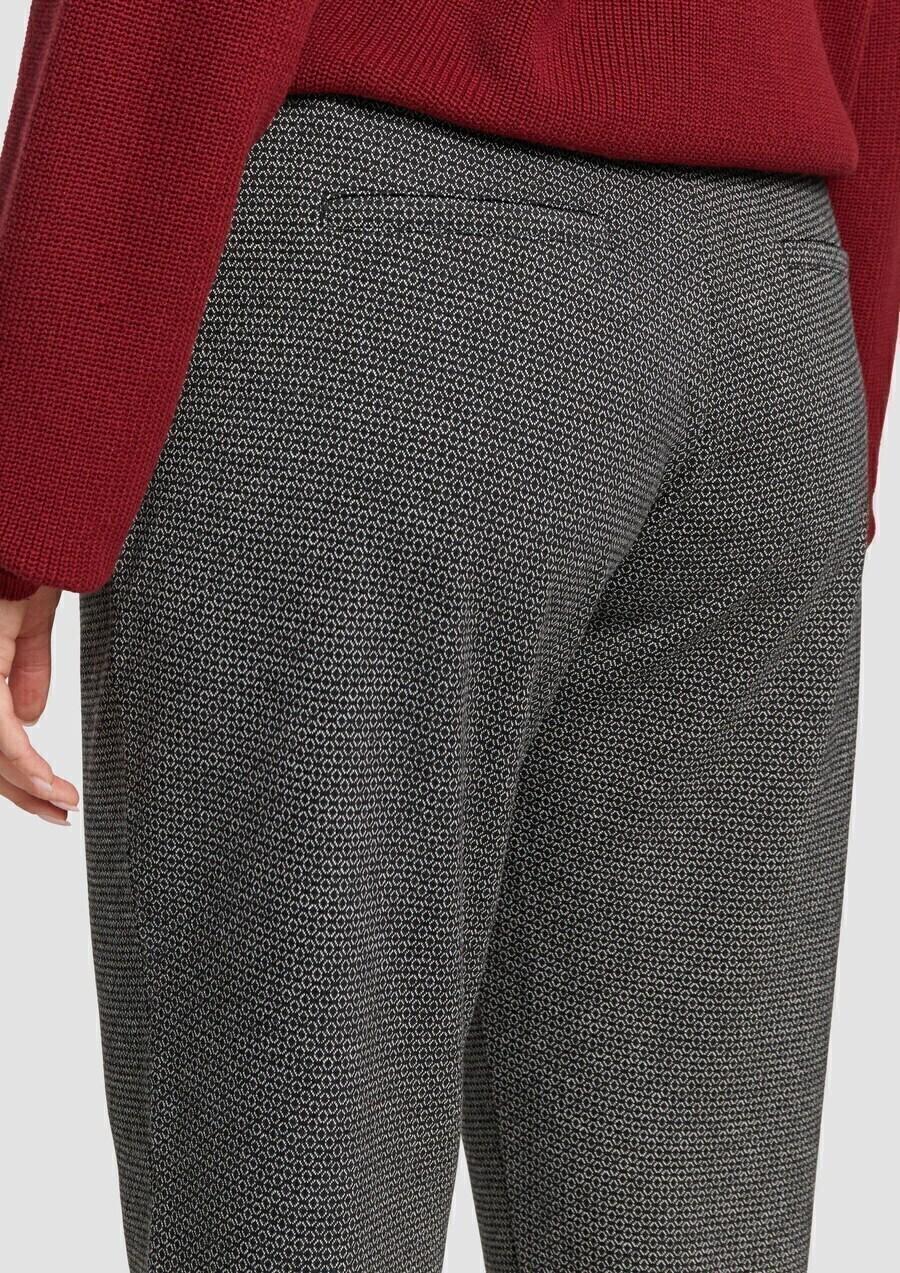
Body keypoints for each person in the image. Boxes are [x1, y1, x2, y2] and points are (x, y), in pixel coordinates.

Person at [0, 2, 897, 1271]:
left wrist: (26, 485)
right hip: (778, 301)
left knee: (295, 1193)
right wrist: (837, 379)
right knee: (687, 1211)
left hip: (400, 277)